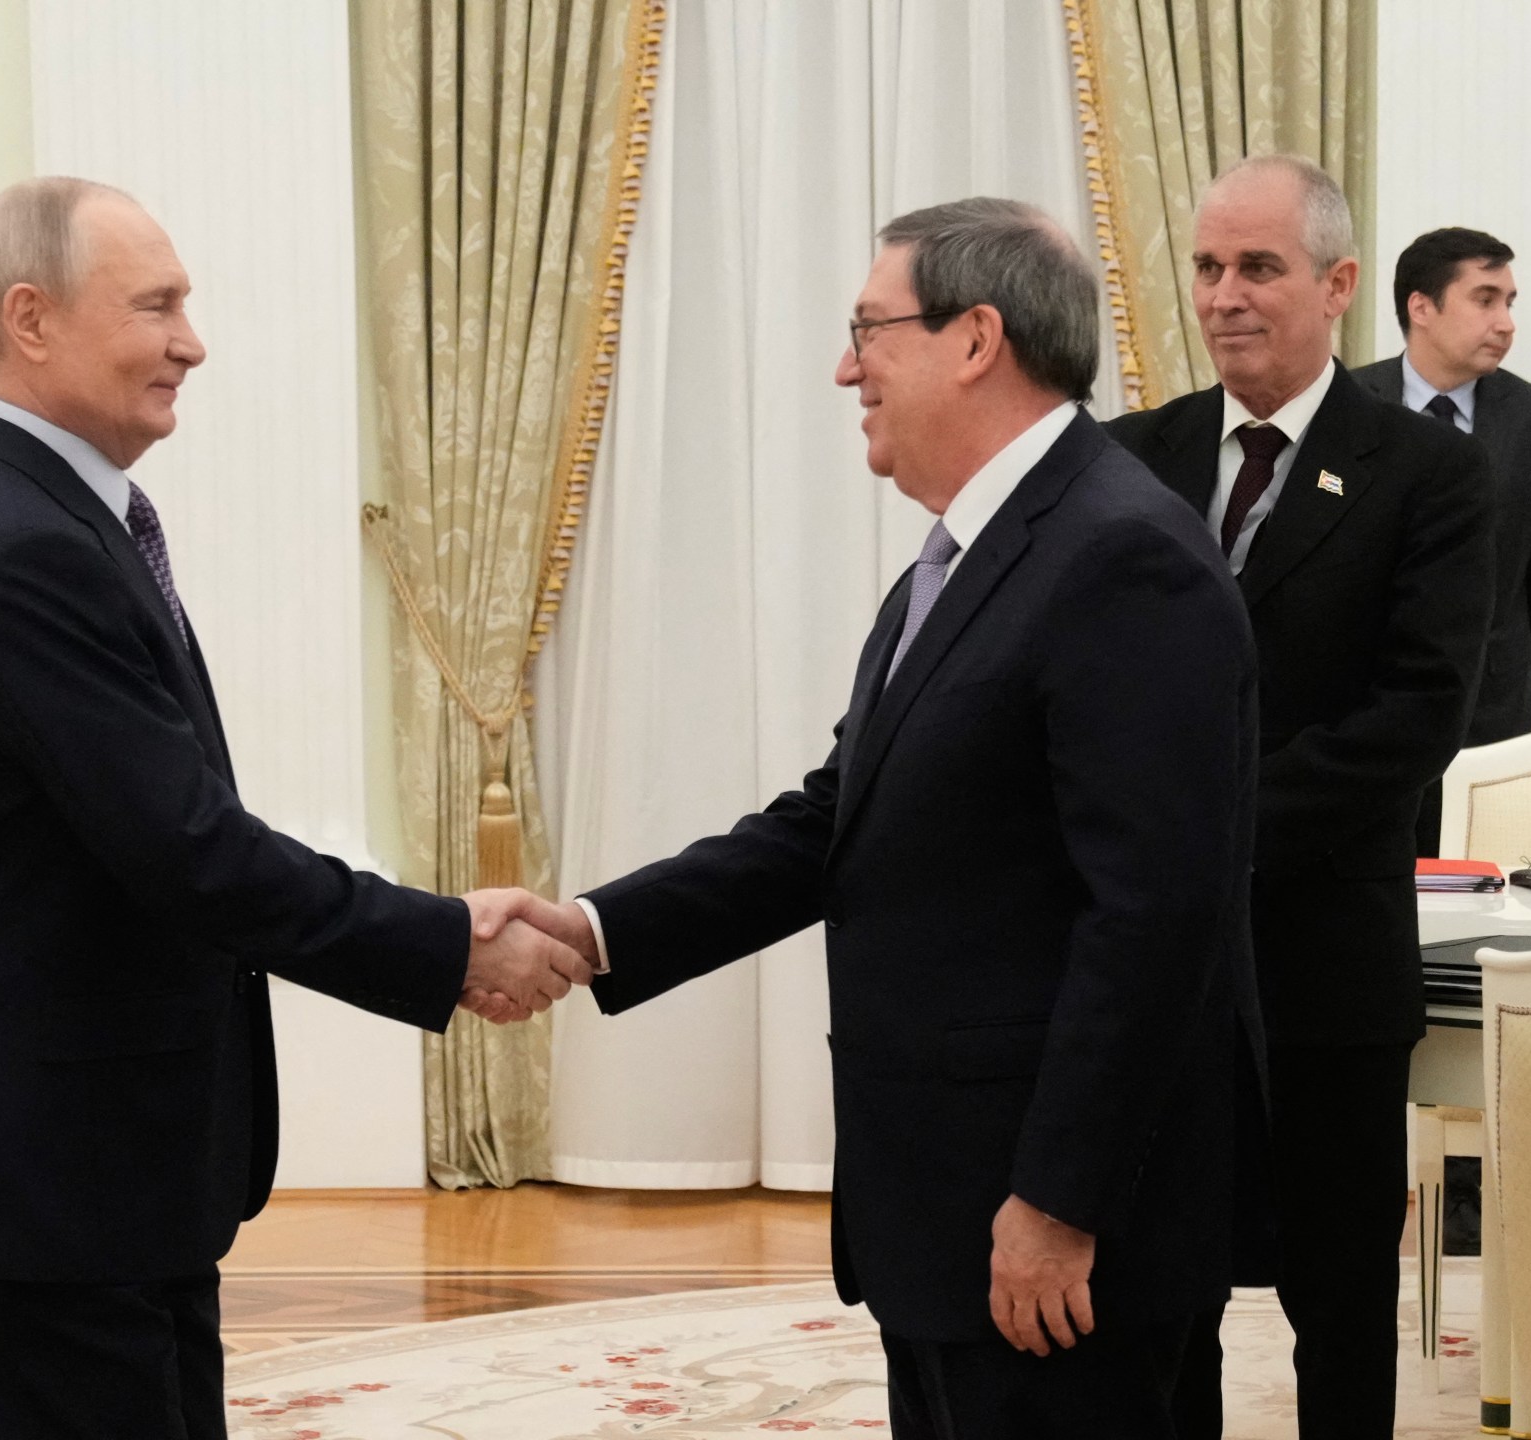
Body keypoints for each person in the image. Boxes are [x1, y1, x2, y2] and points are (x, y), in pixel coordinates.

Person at [468, 198, 1262, 1439]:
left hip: (1054, 1232)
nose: (848, 369)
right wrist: (591, 929)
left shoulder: (1120, 556)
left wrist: (1060, 1201)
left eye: (867, 330)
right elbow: (833, 822)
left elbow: (1157, 919)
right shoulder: (964, 561)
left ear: (975, 338)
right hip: (947, 1212)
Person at [0, 176, 586, 1439]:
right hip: (37, 1180)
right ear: (31, 319)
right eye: (157, 305)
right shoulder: (20, 544)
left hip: (97, 1167)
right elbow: (190, 850)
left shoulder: (52, 518)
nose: (192, 342)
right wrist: (446, 940)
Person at [1105, 156, 1496, 1440]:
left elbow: (1415, 717)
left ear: (1337, 285)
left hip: (1324, 961)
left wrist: (1206, 832)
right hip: (1159, 968)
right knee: (1164, 1293)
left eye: (1258, 268)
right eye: (1209, 267)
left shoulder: (1429, 474)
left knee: (1337, 1296)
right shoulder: (1130, 458)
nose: (1224, 295)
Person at [1355, 227, 1531, 855]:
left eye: (1509, 302)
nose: (1505, 322)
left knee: (1476, 887)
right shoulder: (1346, 404)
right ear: (1421, 307)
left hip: (1489, 718)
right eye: (1485, 299)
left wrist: (1506, 660)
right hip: (1353, 711)